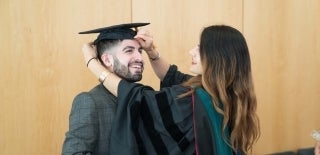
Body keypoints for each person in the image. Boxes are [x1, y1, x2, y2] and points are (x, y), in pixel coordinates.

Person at [83, 25, 260, 154]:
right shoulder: (225, 94)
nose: (192, 51)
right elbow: (173, 77)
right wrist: (151, 51)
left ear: (217, 59)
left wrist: (91, 62)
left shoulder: (191, 101)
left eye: (200, 48)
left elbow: (138, 97)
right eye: (130, 51)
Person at [62, 23, 150, 155]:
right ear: (107, 60)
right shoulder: (89, 101)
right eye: (129, 50)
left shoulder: (144, 96)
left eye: (140, 51)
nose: (139, 58)